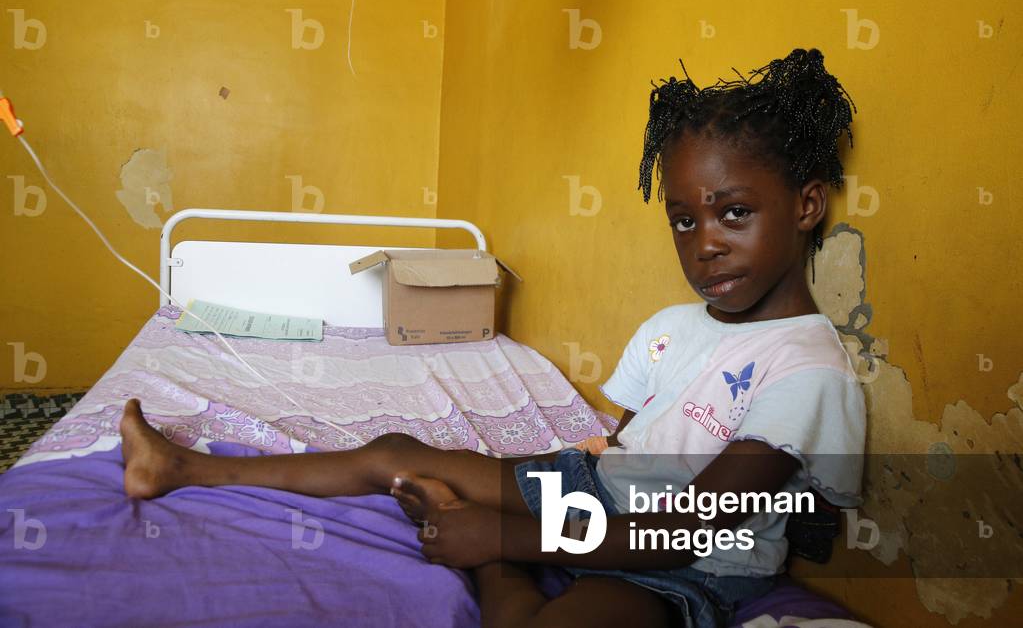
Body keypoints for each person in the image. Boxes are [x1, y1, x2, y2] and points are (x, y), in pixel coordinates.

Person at [120, 47, 867, 628]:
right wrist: (535, 495)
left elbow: (676, 532)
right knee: (392, 451)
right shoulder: (670, 329)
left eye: (733, 212)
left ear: (804, 206)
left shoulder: (804, 369)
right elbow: (620, 454)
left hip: (676, 563)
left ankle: (478, 556)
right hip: (597, 496)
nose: (703, 243)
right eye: (683, 219)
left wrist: (505, 540)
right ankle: (182, 468)